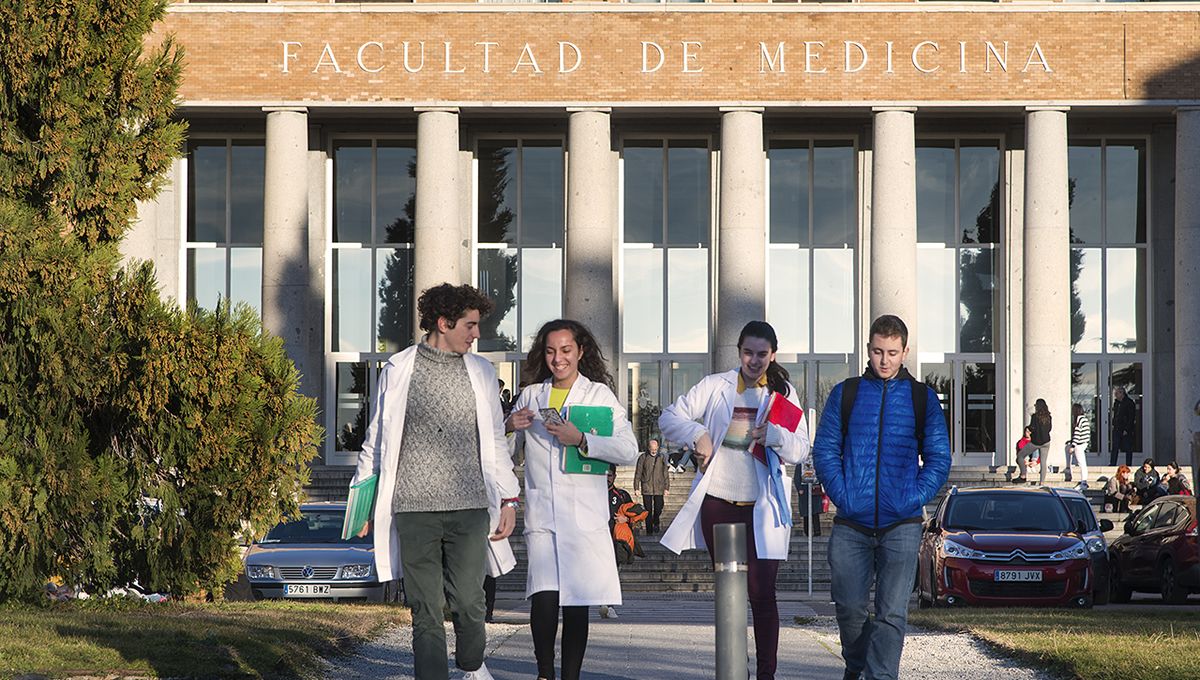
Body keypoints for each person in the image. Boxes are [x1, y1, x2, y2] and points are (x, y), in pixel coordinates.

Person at [350, 283, 519, 680]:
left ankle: (471, 663)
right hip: (413, 509)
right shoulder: (399, 369)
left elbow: (494, 442)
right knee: (425, 610)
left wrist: (510, 500)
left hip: (470, 508)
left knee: (469, 603)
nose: (476, 334)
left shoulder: (481, 371)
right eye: (470, 325)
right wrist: (361, 505)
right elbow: (376, 440)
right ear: (443, 323)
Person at [659, 321, 811, 680]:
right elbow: (670, 416)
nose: (754, 361)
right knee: (730, 589)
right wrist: (698, 434)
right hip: (719, 502)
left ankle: (766, 674)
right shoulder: (716, 385)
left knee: (761, 591)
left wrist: (772, 434)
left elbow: (801, 448)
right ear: (739, 351)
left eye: (761, 354)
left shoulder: (783, 394)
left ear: (773, 355)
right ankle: (732, 667)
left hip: (762, 505)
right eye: (748, 352)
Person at [811, 314, 952, 680]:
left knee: (892, 613)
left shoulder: (922, 398)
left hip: (901, 524)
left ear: (905, 351)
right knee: (849, 608)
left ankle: (879, 676)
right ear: (868, 350)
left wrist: (912, 496)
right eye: (878, 351)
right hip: (851, 522)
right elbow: (825, 450)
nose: (885, 360)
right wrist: (844, 495)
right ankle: (857, 668)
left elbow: (939, 458)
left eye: (892, 352)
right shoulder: (847, 393)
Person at [506, 319, 639, 680]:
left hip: (584, 519)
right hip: (543, 514)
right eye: (550, 351)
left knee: (577, 603)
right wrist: (507, 426)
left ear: (580, 352)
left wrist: (581, 438)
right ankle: (545, 672)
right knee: (544, 597)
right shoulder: (531, 397)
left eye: (565, 350)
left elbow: (629, 449)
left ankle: (571, 676)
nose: (558, 359)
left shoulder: (599, 396)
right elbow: (503, 456)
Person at [601, 466, 636, 620]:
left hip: (616, 540)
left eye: (610, 475)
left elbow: (636, 514)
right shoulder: (591, 494)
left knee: (613, 573)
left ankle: (609, 605)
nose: (607, 477)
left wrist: (626, 519)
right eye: (604, 474)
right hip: (595, 539)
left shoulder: (622, 495)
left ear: (614, 476)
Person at [633, 439, 670, 535]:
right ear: (648, 448)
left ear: (658, 448)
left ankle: (656, 521)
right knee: (647, 510)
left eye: (655, 448)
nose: (654, 451)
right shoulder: (643, 457)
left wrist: (667, 488)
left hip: (659, 487)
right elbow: (638, 473)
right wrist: (636, 488)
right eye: (652, 449)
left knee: (658, 507)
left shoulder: (661, 457)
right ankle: (649, 531)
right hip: (647, 487)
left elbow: (665, 473)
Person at [1020, 399, 1053, 486]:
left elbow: (1032, 428)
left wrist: (1028, 428)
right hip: (1046, 442)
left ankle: (1023, 475)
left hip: (1036, 442)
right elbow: (1049, 429)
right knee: (1043, 462)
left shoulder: (1035, 416)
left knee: (1020, 456)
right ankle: (1042, 482)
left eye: (1035, 406)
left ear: (1037, 406)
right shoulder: (1049, 417)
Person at [1065, 403, 1091, 489]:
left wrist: (1073, 445)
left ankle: (1084, 481)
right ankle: (1069, 470)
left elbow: (1077, 433)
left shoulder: (1079, 419)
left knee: (1081, 463)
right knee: (1080, 461)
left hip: (1079, 444)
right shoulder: (1085, 419)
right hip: (1083, 442)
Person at [1110, 386, 1136, 467]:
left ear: (1122, 393)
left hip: (1125, 428)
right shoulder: (1116, 403)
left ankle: (1128, 464)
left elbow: (1131, 417)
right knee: (1115, 446)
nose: (1115, 395)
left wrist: (1127, 429)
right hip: (1117, 428)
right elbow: (1116, 414)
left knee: (1128, 447)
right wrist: (1114, 424)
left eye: (1117, 393)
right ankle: (1113, 463)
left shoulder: (1129, 403)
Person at [794, 469, 825, 537]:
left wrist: (818, 483)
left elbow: (820, 474)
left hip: (814, 489)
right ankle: (807, 531)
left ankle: (817, 531)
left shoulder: (815, 462)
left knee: (815, 512)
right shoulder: (800, 464)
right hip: (804, 490)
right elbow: (796, 477)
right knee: (806, 513)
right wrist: (799, 488)